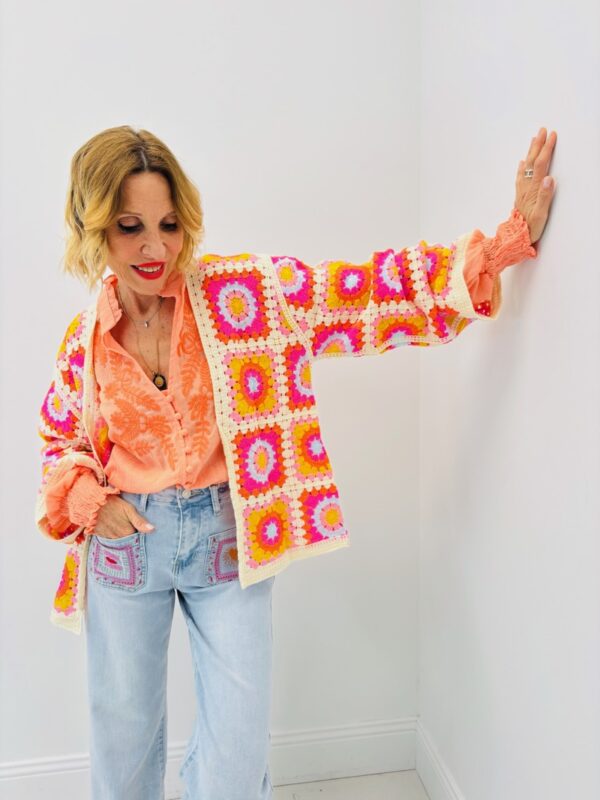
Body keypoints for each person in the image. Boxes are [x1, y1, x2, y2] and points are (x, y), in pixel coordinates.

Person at [34, 125, 557, 800]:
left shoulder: (244, 295)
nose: (155, 248)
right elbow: (60, 441)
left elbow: (362, 293)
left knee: (236, 750)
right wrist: (87, 499)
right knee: (123, 741)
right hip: (126, 547)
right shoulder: (84, 340)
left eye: (169, 224)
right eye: (130, 226)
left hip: (227, 541)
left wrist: (507, 241)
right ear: (94, 226)